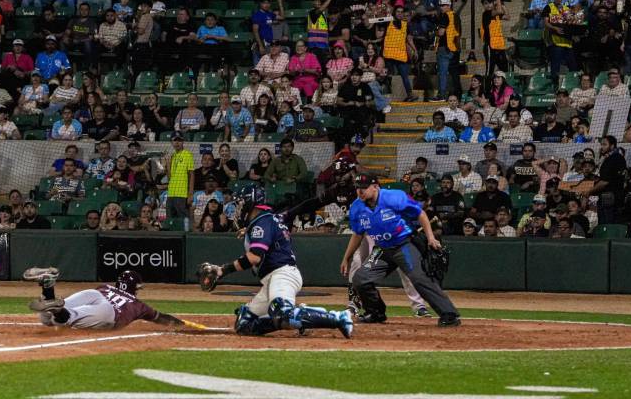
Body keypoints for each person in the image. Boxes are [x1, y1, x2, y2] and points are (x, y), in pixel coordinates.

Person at [198, 185, 352, 337]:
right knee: (244, 324)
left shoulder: (262, 222)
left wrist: (222, 270)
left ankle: (338, 318)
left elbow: (254, 256)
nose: (239, 208)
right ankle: (302, 318)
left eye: (241, 203)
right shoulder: (268, 220)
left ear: (251, 203)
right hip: (271, 280)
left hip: (282, 274)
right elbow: (294, 212)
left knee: (282, 313)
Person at [341, 173, 460, 326]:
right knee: (360, 278)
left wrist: (430, 238)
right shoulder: (357, 207)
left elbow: (420, 214)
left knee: (418, 278)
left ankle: (449, 314)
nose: (360, 191)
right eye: (358, 188)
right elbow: (358, 234)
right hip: (382, 248)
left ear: (376, 186)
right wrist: (346, 257)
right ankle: (375, 312)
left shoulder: (394, 197)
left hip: (404, 244)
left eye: (364, 187)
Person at [24, 268, 189, 329]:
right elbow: (162, 319)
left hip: (95, 294)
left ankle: (48, 286)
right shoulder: (139, 305)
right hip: (110, 313)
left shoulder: (104, 287)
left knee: (47, 319)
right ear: (134, 288)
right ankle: (58, 308)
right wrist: (182, 325)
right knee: (66, 318)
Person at [582, 136, 627, 224]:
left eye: (604, 144)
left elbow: (605, 182)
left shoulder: (613, 159)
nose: (602, 147)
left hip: (609, 199)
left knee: (606, 225)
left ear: (612, 146)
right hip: (615, 197)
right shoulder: (617, 158)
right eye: (601, 144)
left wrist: (589, 191)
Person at [543, 0, 579, 85]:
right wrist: (555, 29)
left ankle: (573, 85)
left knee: (573, 67)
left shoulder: (566, 9)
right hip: (555, 42)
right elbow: (546, 23)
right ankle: (554, 86)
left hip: (567, 42)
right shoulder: (548, 7)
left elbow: (571, 22)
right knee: (555, 67)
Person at [383, 5, 418, 101]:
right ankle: (386, 96)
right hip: (389, 55)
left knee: (405, 76)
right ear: (394, 13)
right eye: (398, 11)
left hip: (400, 55)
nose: (399, 13)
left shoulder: (406, 25)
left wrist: (415, 50)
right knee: (387, 76)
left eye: (401, 12)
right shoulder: (388, 22)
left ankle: (410, 94)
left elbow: (409, 39)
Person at [432, 0, 461, 101]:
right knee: (454, 74)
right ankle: (458, 95)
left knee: (442, 73)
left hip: (445, 48)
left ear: (449, 6)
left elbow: (441, 33)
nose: (441, 8)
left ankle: (442, 95)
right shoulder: (456, 16)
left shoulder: (445, 16)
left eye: (443, 5)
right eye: (440, 5)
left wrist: (435, 31)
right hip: (455, 48)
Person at [166, 131, 195, 221]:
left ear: (183, 142)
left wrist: (190, 194)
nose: (177, 143)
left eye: (179, 140)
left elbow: (192, 175)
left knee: (184, 221)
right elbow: (169, 177)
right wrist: (167, 165)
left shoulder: (187, 155)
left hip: (182, 194)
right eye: (175, 140)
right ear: (171, 142)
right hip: (171, 194)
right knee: (171, 221)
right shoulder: (172, 156)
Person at [480, 0, 509, 78]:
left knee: (505, 70)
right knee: (490, 71)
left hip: (500, 47)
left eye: (490, 3)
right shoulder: (486, 14)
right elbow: (499, 11)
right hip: (490, 47)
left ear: (493, 4)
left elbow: (507, 17)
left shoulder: (495, 14)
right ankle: (487, 90)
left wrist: (502, 3)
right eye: (485, 3)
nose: (488, 5)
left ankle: (503, 90)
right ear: (483, 5)